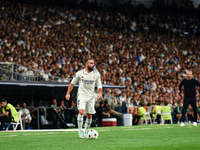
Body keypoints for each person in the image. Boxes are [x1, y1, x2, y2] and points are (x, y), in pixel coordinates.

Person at [65, 58, 102, 138]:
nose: (93, 65)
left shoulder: (96, 74)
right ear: (86, 64)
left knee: (89, 116)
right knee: (81, 112)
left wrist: (100, 93)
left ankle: (85, 131)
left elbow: (99, 85)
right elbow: (72, 83)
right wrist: (68, 93)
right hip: (82, 95)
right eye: (91, 63)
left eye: (93, 63)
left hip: (91, 97)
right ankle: (80, 131)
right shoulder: (80, 73)